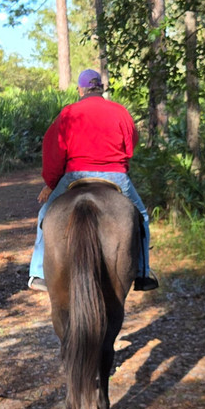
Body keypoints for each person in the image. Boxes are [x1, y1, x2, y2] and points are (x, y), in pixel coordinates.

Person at [28, 68, 158, 293]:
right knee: (141, 216)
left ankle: (38, 272)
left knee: (44, 215)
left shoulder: (68, 113)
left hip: (75, 174)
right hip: (116, 175)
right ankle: (142, 272)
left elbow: (53, 150)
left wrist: (51, 183)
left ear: (81, 90)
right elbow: (130, 145)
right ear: (100, 88)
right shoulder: (119, 111)